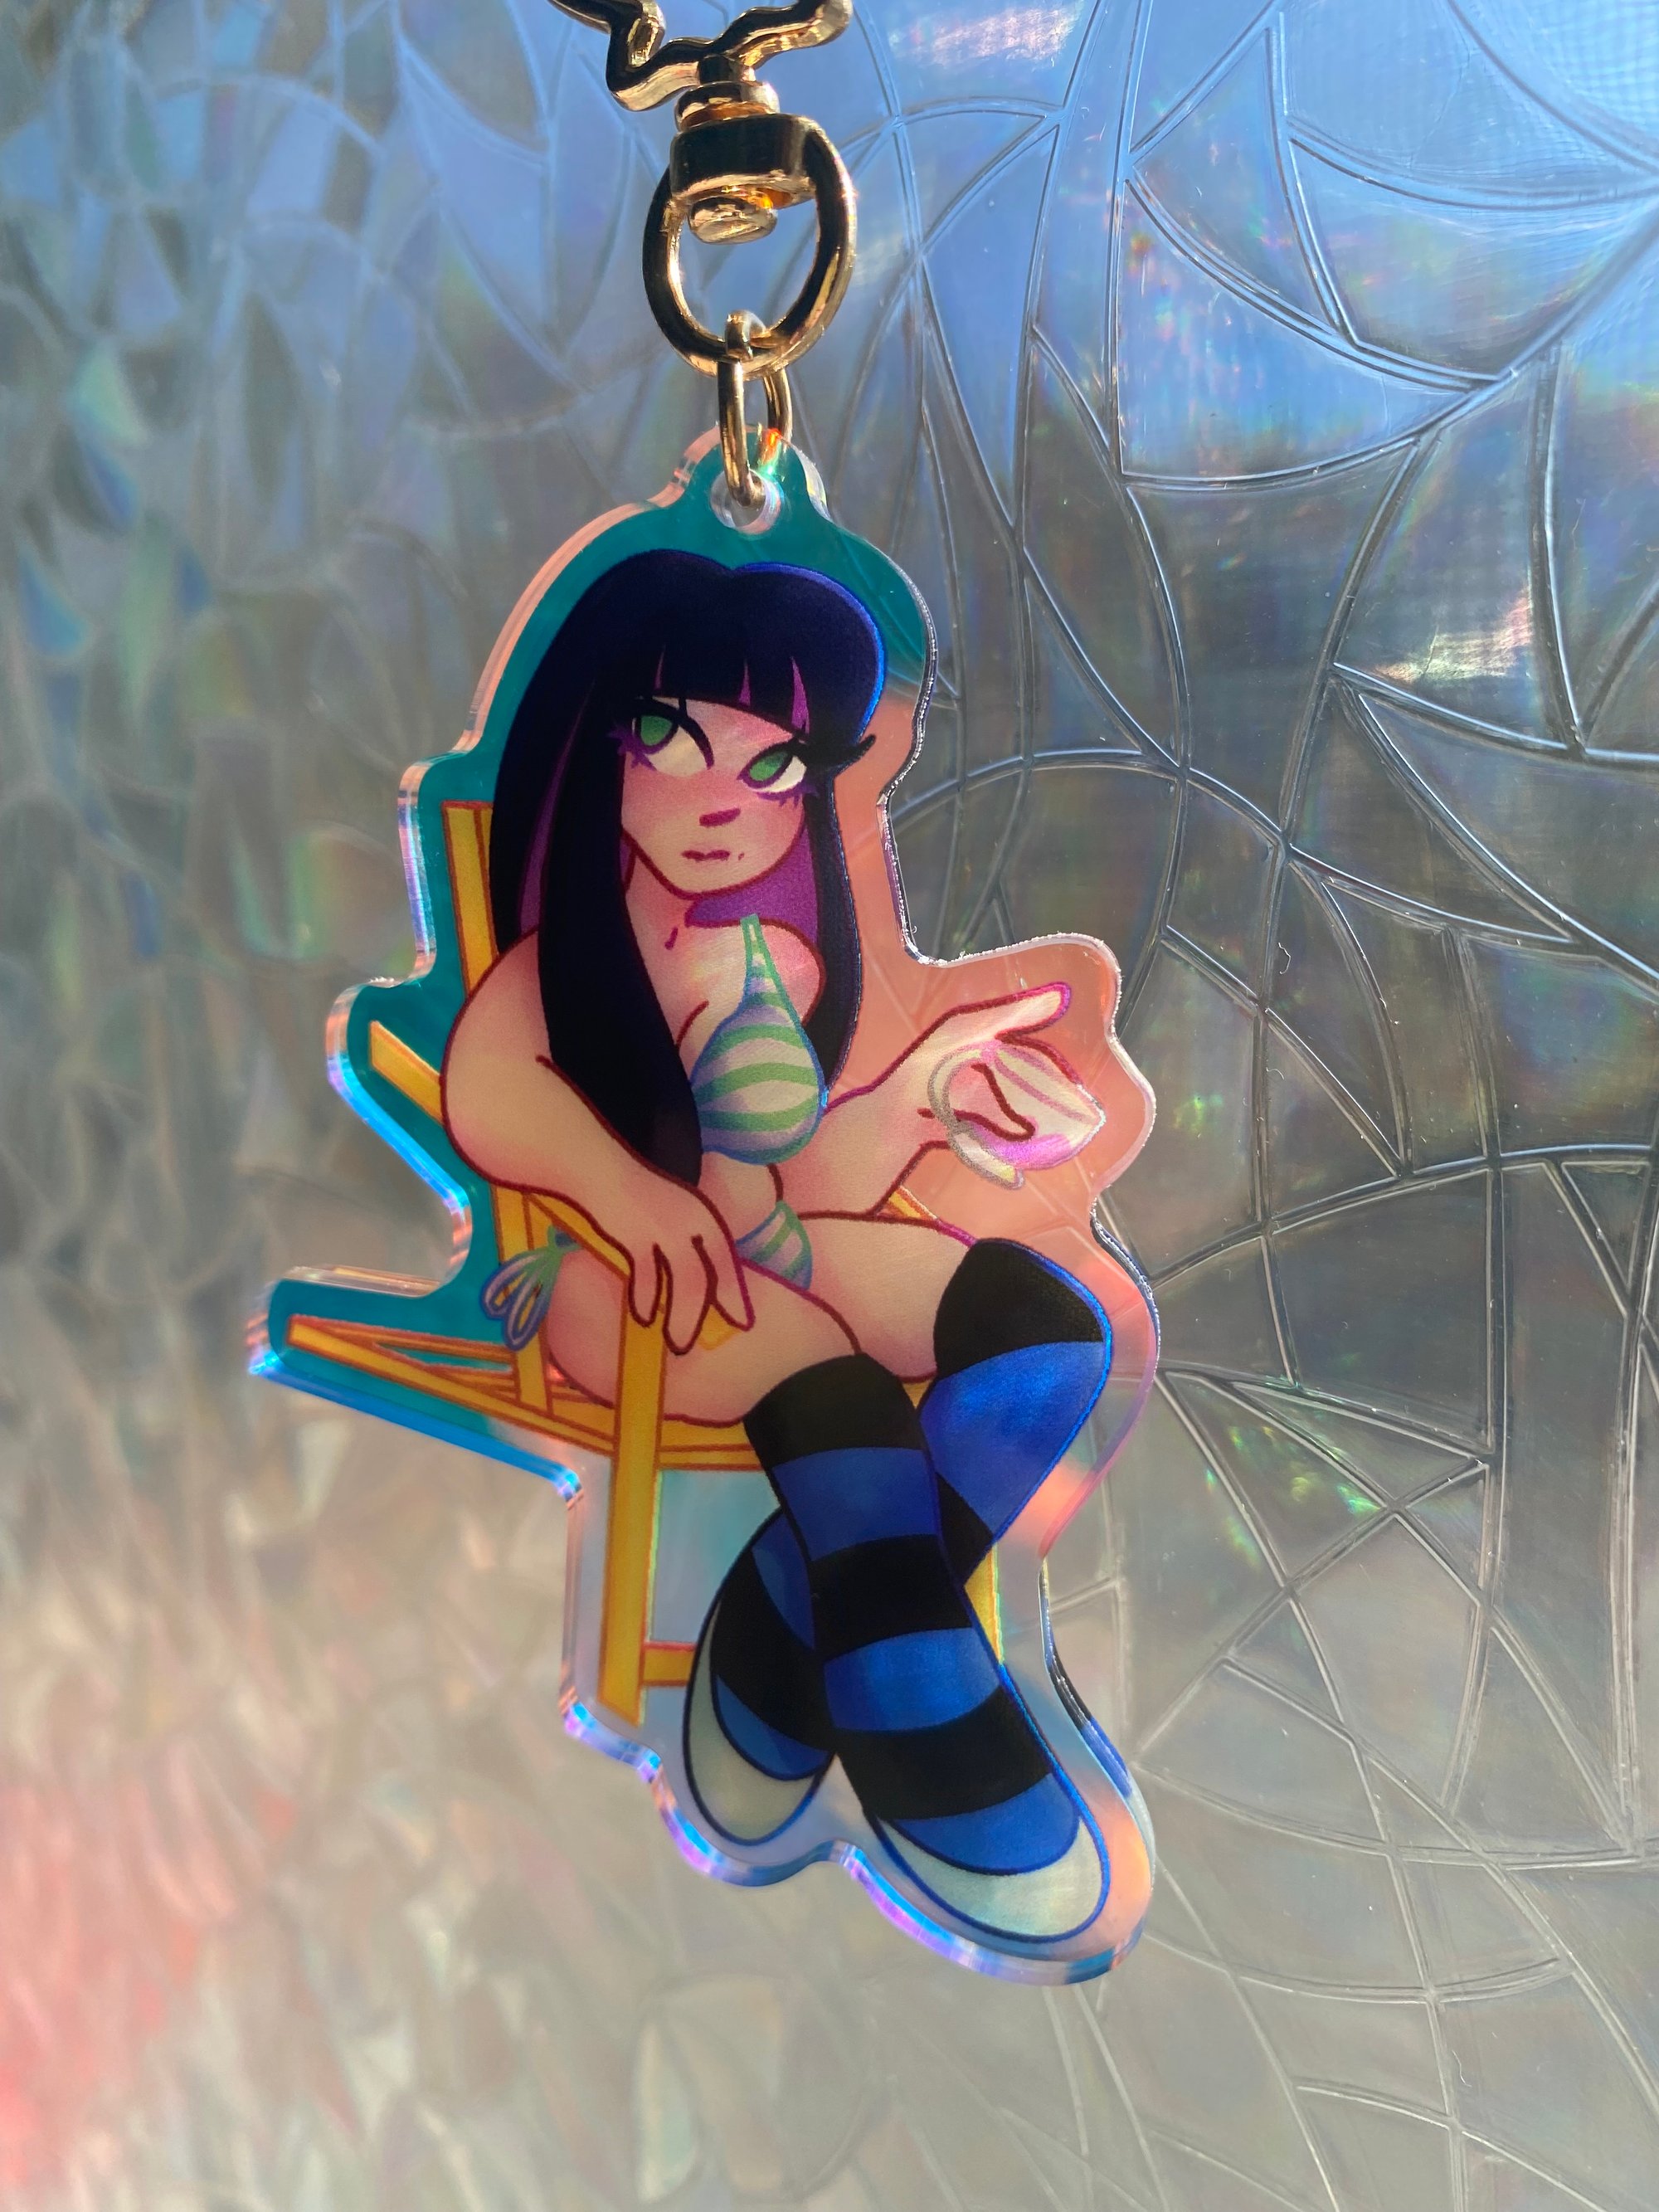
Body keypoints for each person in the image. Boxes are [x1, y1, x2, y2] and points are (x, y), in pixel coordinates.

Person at [444, 550, 1126, 1946]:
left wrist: (925, 1090)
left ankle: (784, 1629)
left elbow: (797, 1177)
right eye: (666, 737)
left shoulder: (769, 960)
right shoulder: (565, 966)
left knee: (1048, 1338)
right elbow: (491, 1096)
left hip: (764, 1255)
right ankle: (925, 1733)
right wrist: (625, 1196)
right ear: (597, 742)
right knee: (848, 1400)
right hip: (619, 1289)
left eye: (772, 766)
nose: (721, 801)